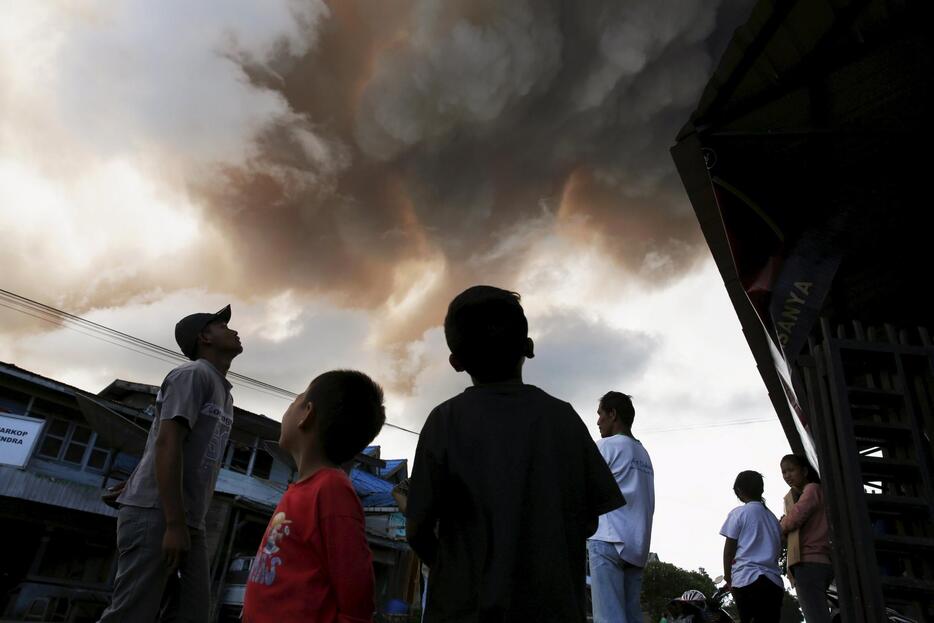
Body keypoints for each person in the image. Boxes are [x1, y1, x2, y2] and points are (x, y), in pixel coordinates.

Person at [406, 285, 624, 623]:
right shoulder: (564, 420)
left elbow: (417, 529)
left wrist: (458, 573)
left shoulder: (444, 421)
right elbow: (589, 520)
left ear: (456, 362)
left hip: (464, 610)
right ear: (528, 348)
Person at [99, 305, 242, 622]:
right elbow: (167, 442)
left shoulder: (224, 393)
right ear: (205, 337)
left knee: (192, 613)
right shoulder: (191, 375)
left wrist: (138, 481)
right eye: (222, 325)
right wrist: (173, 524)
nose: (233, 329)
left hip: (190, 519)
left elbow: (170, 446)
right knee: (131, 613)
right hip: (161, 515)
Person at [242, 370, 386, 623]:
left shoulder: (331, 491)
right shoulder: (300, 489)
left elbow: (357, 601)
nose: (285, 411)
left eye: (293, 402)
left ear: (307, 414)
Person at [587, 391, 655, 623]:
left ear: (613, 414)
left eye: (600, 414)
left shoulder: (606, 446)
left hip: (608, 539)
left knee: (608, 618)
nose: (597, 422)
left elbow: (583, 488)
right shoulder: (643, 454)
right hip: (637, 546)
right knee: (631, 616)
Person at [720, 470, 783, 623]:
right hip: (774, 582)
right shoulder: (773, 518)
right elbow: (778, 549)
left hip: (746, 579)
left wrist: (728, 578)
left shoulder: (738, 513)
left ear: (739, 492)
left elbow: (729, 551)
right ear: (761, 490)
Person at [780, 454, 832, 623]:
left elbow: (793, 519)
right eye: (784, 472)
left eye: (791, 470)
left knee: (816, 617)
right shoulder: (812, 492)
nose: (787, 475)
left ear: (804, 470)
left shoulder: (811, 490)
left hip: (808, 561)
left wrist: (780, 524)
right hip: (820, 561)